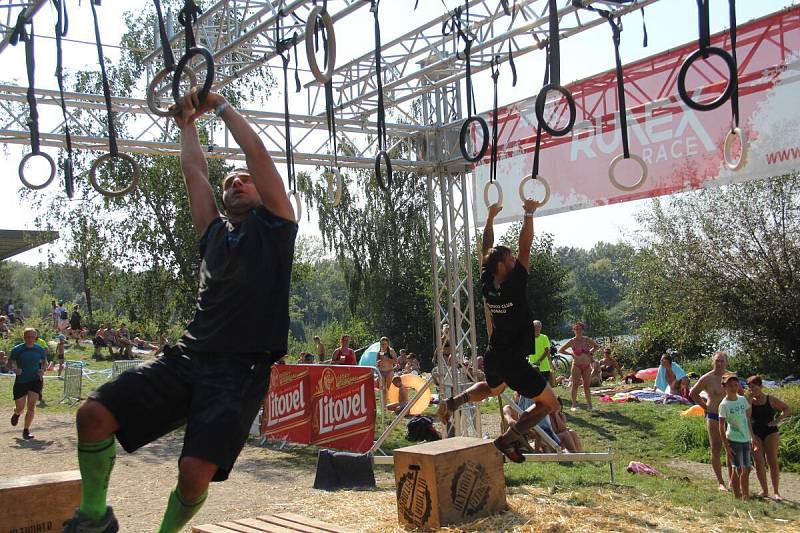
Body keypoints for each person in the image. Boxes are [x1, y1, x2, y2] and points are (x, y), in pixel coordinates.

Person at [61, 89, 297, 533]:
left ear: (262, 192)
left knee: (193, 474)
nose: (236, 183)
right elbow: (194, 175)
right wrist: (187, 122)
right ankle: (93, 517)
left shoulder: (278, 226)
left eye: (244, 180)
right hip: (188, 358)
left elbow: (256, 150)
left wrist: (221, 104)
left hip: (240, 369)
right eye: (229, 183)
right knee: (92, 416)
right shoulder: (212, 234)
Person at [437, 201, 559, 463]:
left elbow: (485, 250)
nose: (515, 260)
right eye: (510, 258)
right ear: (503, 265)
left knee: (494, 389)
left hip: (495, 355)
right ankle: (508, 438)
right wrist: (528, 212)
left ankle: (452, 403)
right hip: (514, 360)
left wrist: (490, 218)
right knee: (551, 404)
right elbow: (526, 246)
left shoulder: (488, 284)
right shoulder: (514, 284)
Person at [689, 351, 732, 492]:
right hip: (714, 415)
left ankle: (733, 480)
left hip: (731, 417)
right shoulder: (707, 378)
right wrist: (704, 406)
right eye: (717, 361)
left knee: (731, 448)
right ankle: (720, 482)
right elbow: (693, 393)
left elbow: (741, 394)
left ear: (726, 362)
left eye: (722, 361)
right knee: (716, 448)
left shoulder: (731, 377)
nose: (719, 363)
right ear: (713, 362)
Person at [747, 375, 790, 500]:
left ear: (760, 386)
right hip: (755, 433)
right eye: (749, 388)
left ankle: (776, 492)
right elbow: (747, 418)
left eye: (754, 387)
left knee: (772, 461)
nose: (752, 390)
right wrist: (751, 436)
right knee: (758, 462)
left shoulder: (770, 399)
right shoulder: (748, 401)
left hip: (770, 432)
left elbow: (786, 408)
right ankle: (764, 490)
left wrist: (777, 421)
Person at [718, 372, 753, 500]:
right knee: (737, 468)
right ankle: (738, 495)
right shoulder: (724, 405)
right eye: (730, 385)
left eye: (735, 384)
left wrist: (751, 437)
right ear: (724, 387)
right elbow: (721, 426)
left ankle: (745, 493)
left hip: (745, 438)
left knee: (747, 468)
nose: (733, 387)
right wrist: (726, 446)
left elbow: (747, 417)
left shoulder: (742, 400)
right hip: (733, 439)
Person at [9, 328, 47, 440]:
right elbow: (8, 363)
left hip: (35, 380)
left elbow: (45, 362)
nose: (31, 339)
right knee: (20, 408)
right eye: (28, 337)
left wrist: (43, 370)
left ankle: (26, 430)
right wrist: (15, 369)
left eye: (33, 337)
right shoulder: (17, 349)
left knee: (31, 407)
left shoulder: (39, 349)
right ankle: (16, 413)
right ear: (24, 337)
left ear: (36, 337)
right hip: (21, 381)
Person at [559, 322, 600, 411]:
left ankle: (590, 406)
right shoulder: (572, 341)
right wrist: (571, 354)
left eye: (580, 329)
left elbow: (596, 346)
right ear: (573, 330)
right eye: (576, 329)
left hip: (586, 366)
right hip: (576, 365)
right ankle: (573, 405)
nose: (578, 331)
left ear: (582, 330)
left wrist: (591, 352)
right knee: (575, 385)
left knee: (586, 386)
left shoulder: (586, 339)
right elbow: (561, 350)